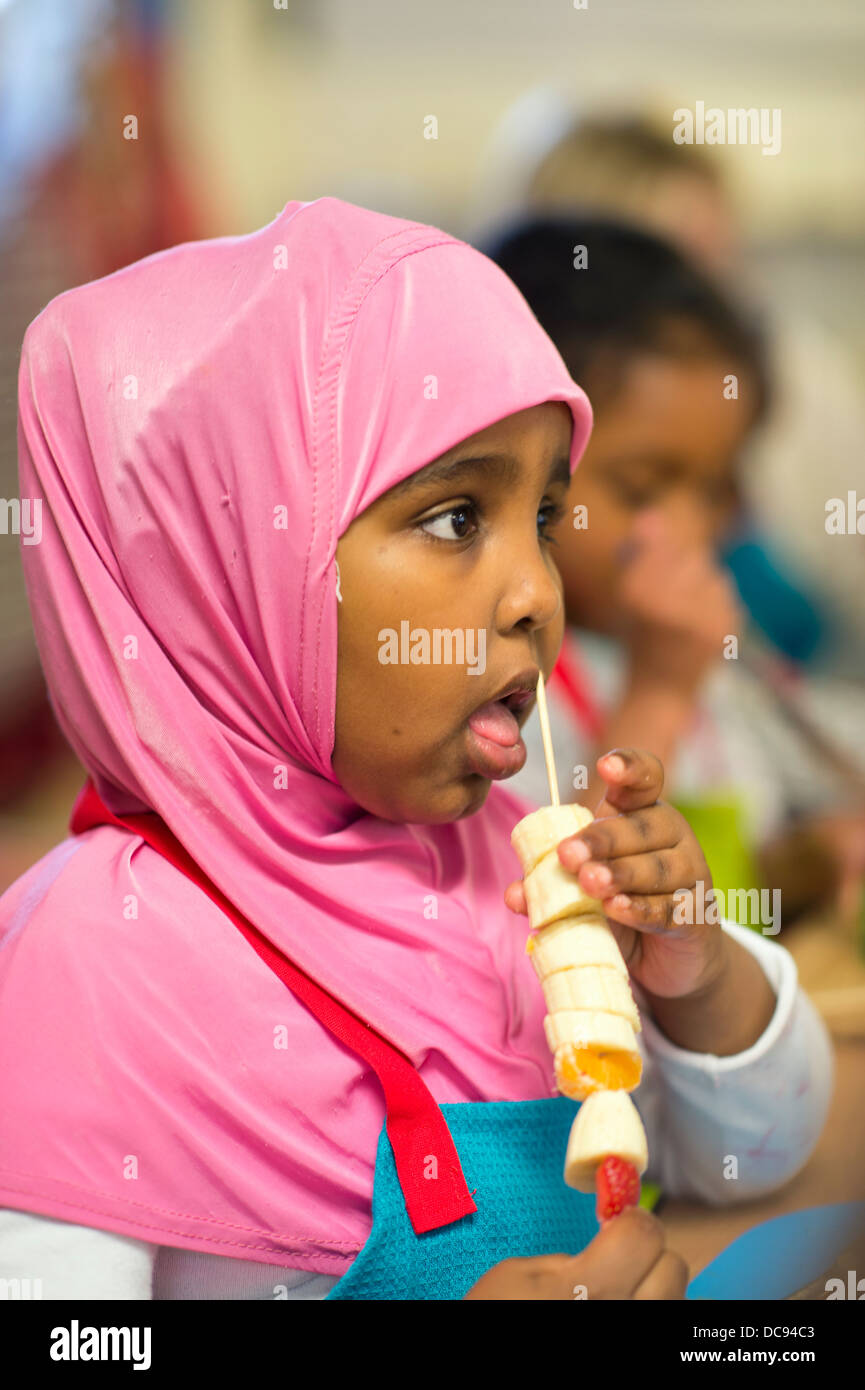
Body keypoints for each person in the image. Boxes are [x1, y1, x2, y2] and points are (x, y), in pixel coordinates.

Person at [0, 197, 831, 1300]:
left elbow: (754, 1152)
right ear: (235, 568)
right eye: (453, 520)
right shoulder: (94, 963)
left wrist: (699, 976)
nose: (539, 593)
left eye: (542, 516)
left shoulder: (515, 868)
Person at [485, 213, 865, 921]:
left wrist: (813, 851)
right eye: (639, 488)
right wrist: (657, 692)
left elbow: (816, 749)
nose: (686, 531)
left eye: (716, 491)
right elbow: (567, 907)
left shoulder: (710, 663)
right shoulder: (496, 681)